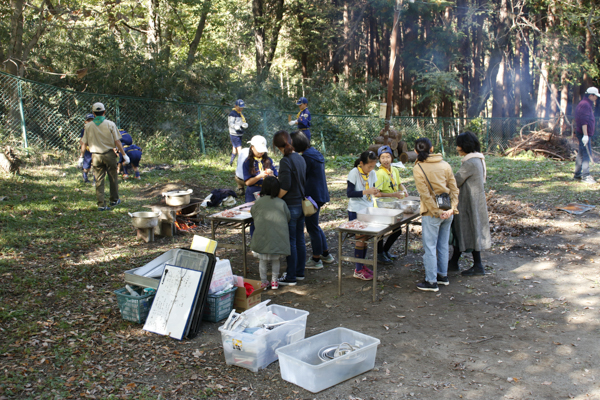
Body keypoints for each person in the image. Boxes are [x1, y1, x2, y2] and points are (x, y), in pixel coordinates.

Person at [412, 137, 459, 292]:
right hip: (448, 211)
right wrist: (452, 208)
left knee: (430, 247)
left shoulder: (419, 168)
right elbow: (454, 189)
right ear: (432, 149)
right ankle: (442, 276)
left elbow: (425, 195)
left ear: (415, 151)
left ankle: (431, 281)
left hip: (432, 213)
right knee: (443, 244)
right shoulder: (445, 164)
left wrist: (437, 212)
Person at [448, 131, 491, 276]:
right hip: (473, 201)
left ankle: (477, 266)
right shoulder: (477, 159)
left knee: (468, 230)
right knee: (465, 230)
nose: (457, 148)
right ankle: (453, 262)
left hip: (469, 203)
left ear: (464, 146)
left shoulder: (470, 163)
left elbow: (456, 180)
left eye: (458, 145)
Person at [290, 131, 335, 270]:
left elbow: (301, 177)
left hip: (312, 197)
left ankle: (316, 259)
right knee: (315, 225)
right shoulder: (314, 153)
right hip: (320, 194)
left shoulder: (306, 158)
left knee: (312, 227)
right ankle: (325, 254)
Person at [79, 102, 130, 211]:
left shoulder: (88, 126)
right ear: (104, 112)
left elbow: (84, 143)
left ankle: (101, 204)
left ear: (93, 113)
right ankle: (114, 200)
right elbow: (117, 141)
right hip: (109, 154)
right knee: (113, 178)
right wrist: (124, 155)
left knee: (99, 180)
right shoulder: (110, 124)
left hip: (96, 156)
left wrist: (81, 157)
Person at [273, 130, 307, 286]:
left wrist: (274, 199)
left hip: (291, 206)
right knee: (299, 239)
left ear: (276, 146)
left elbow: (285, 186)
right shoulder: (299, 158)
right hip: (300, 204)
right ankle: (300, 272)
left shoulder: (285, 161)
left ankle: (291, 276)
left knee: (291, 241)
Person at [250, 176, 291, 290]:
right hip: (278, 237)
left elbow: (253, 214)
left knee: (262, 261)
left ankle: (263, 282)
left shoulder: (258, 202)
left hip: (262, 236)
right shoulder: (281, 202)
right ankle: (274, 282)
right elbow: (288, 217)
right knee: (276, 260)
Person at [347, 150, 381, 280]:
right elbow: (350, 193)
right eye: (369, 166)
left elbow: (371, 188)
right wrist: (366, 191)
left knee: (365, 239)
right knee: (359, 239)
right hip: (356, 210)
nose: (371, 169)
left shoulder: (372, 173)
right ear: (361, 163)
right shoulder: (354, 173)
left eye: (373, 166)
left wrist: (374, 192)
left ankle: (363, 265)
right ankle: (358, 269)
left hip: (368, 209)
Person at [375, 145, 409, 264]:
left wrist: (404, 190)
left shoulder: (394, 170)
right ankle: (379, 254)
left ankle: (384, 251)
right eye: (382, 157)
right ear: (379, 159)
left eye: (388, 157)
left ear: (392, 157)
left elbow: (399, 184)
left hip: (393, 206)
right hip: (382, 207)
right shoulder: (379, 174)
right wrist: (393, 195)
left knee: (397, 230)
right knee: (382, 231)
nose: (385, 160)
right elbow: (376, 194)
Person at [573, 87, 598, 184]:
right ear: (591, 95)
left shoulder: (585, 104)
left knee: (581, 153)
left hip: (583, 133)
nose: (596, 98)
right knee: (587, 154)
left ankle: (577, 174)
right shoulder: (585, 105)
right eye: (595, 96)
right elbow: (584, 121)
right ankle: (586, 176)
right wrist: (585, 135)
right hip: (584, 133)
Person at [242, 135, 277, 204]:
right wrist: (260, 176)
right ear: (252, 148)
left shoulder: (268, 160)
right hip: (253, 192)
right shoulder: (247, 162)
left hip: (267, 191)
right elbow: (248, 182)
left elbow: (277, 178)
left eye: (262, 150)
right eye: (259, 150)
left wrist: (272, 175)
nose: (261, 152)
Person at [228, 99, 248, 166]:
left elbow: (241, 122)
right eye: (239, 107)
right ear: (235, 106)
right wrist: (235, 126)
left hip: (240, 133)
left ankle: (231, 162)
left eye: (242, 107)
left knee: (234, 148)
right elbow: (230, 123)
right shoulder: (232, 114)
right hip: (234, 133)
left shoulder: (240, 114)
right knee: (239, 148)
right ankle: (241, 164)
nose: (241, 108)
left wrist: (244, 125)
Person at [78, 113, 95, 183]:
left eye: (92, 120)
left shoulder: (97, 130)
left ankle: (95, 179)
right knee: (87, 166)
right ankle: (85, 175)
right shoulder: (84, 130)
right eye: (88, 120)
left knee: (96, 165)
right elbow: (82, 141)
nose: (90, 122)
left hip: (96, 150)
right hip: (88, 150)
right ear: (85, 122)